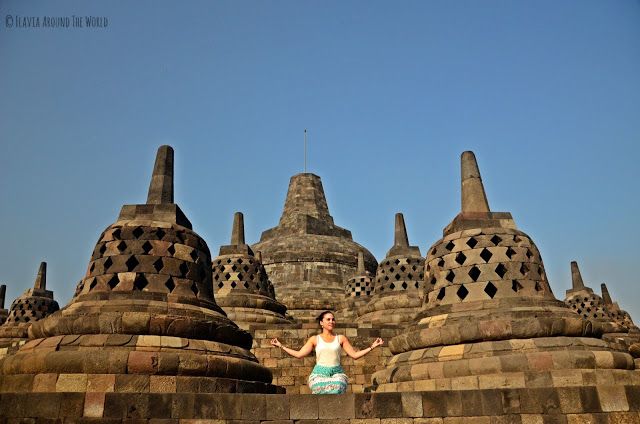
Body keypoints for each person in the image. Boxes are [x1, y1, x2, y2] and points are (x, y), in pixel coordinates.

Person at [270, 310, 384, 394]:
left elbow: (354, 355)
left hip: (337, 373)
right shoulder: (315, 339)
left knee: (339, 385)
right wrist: (281, 346)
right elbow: (299, 354)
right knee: (319, 387)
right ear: (321, 323)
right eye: (328, 319)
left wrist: (372, 347)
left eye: (333, 319)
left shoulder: (341, 338)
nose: (331, 321)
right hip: (319, 374)